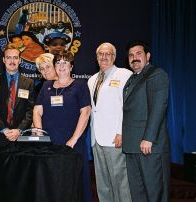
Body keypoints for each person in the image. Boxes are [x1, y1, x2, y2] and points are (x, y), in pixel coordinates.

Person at [33, 50, 92, 202]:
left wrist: (73, 139)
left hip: (72, 144)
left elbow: (85, 113)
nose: (61, 65)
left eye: (65, 62)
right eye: (58, 62)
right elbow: (37, 111)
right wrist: (40, 134)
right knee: (51, 182)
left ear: (71, 66)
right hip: (50, 144)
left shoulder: (80, 86)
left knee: (73, 184)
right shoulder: (46, 85)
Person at [122, 41, 170, 202]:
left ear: (147, 56)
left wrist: (148, 138)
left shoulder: (156, 74)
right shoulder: (131, 79)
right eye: (131, 55)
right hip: (132, 146)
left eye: (138, 54)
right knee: (138, 194)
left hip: (149, 146)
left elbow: (158, 108)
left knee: (155, 194)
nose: (134, 58)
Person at [88, 42, 132, 202]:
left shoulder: (124, 74)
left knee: (120, 182)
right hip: (96, 139)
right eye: (101, 54)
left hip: (115, 138)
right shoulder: (92, 80)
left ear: (114, 57)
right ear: (97, 57)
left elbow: (126, 107)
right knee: (103, 184)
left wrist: (122, 131)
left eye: (108, 54)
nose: (104, 57)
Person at [0, 43, 35, 147]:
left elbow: (30, 111)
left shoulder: (29, 83)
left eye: (15, 58)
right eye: (8, 58)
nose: (12, 61)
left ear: (20, 60)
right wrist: (4, 130)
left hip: (21, 138)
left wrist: (19, 130)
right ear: (3, 60)